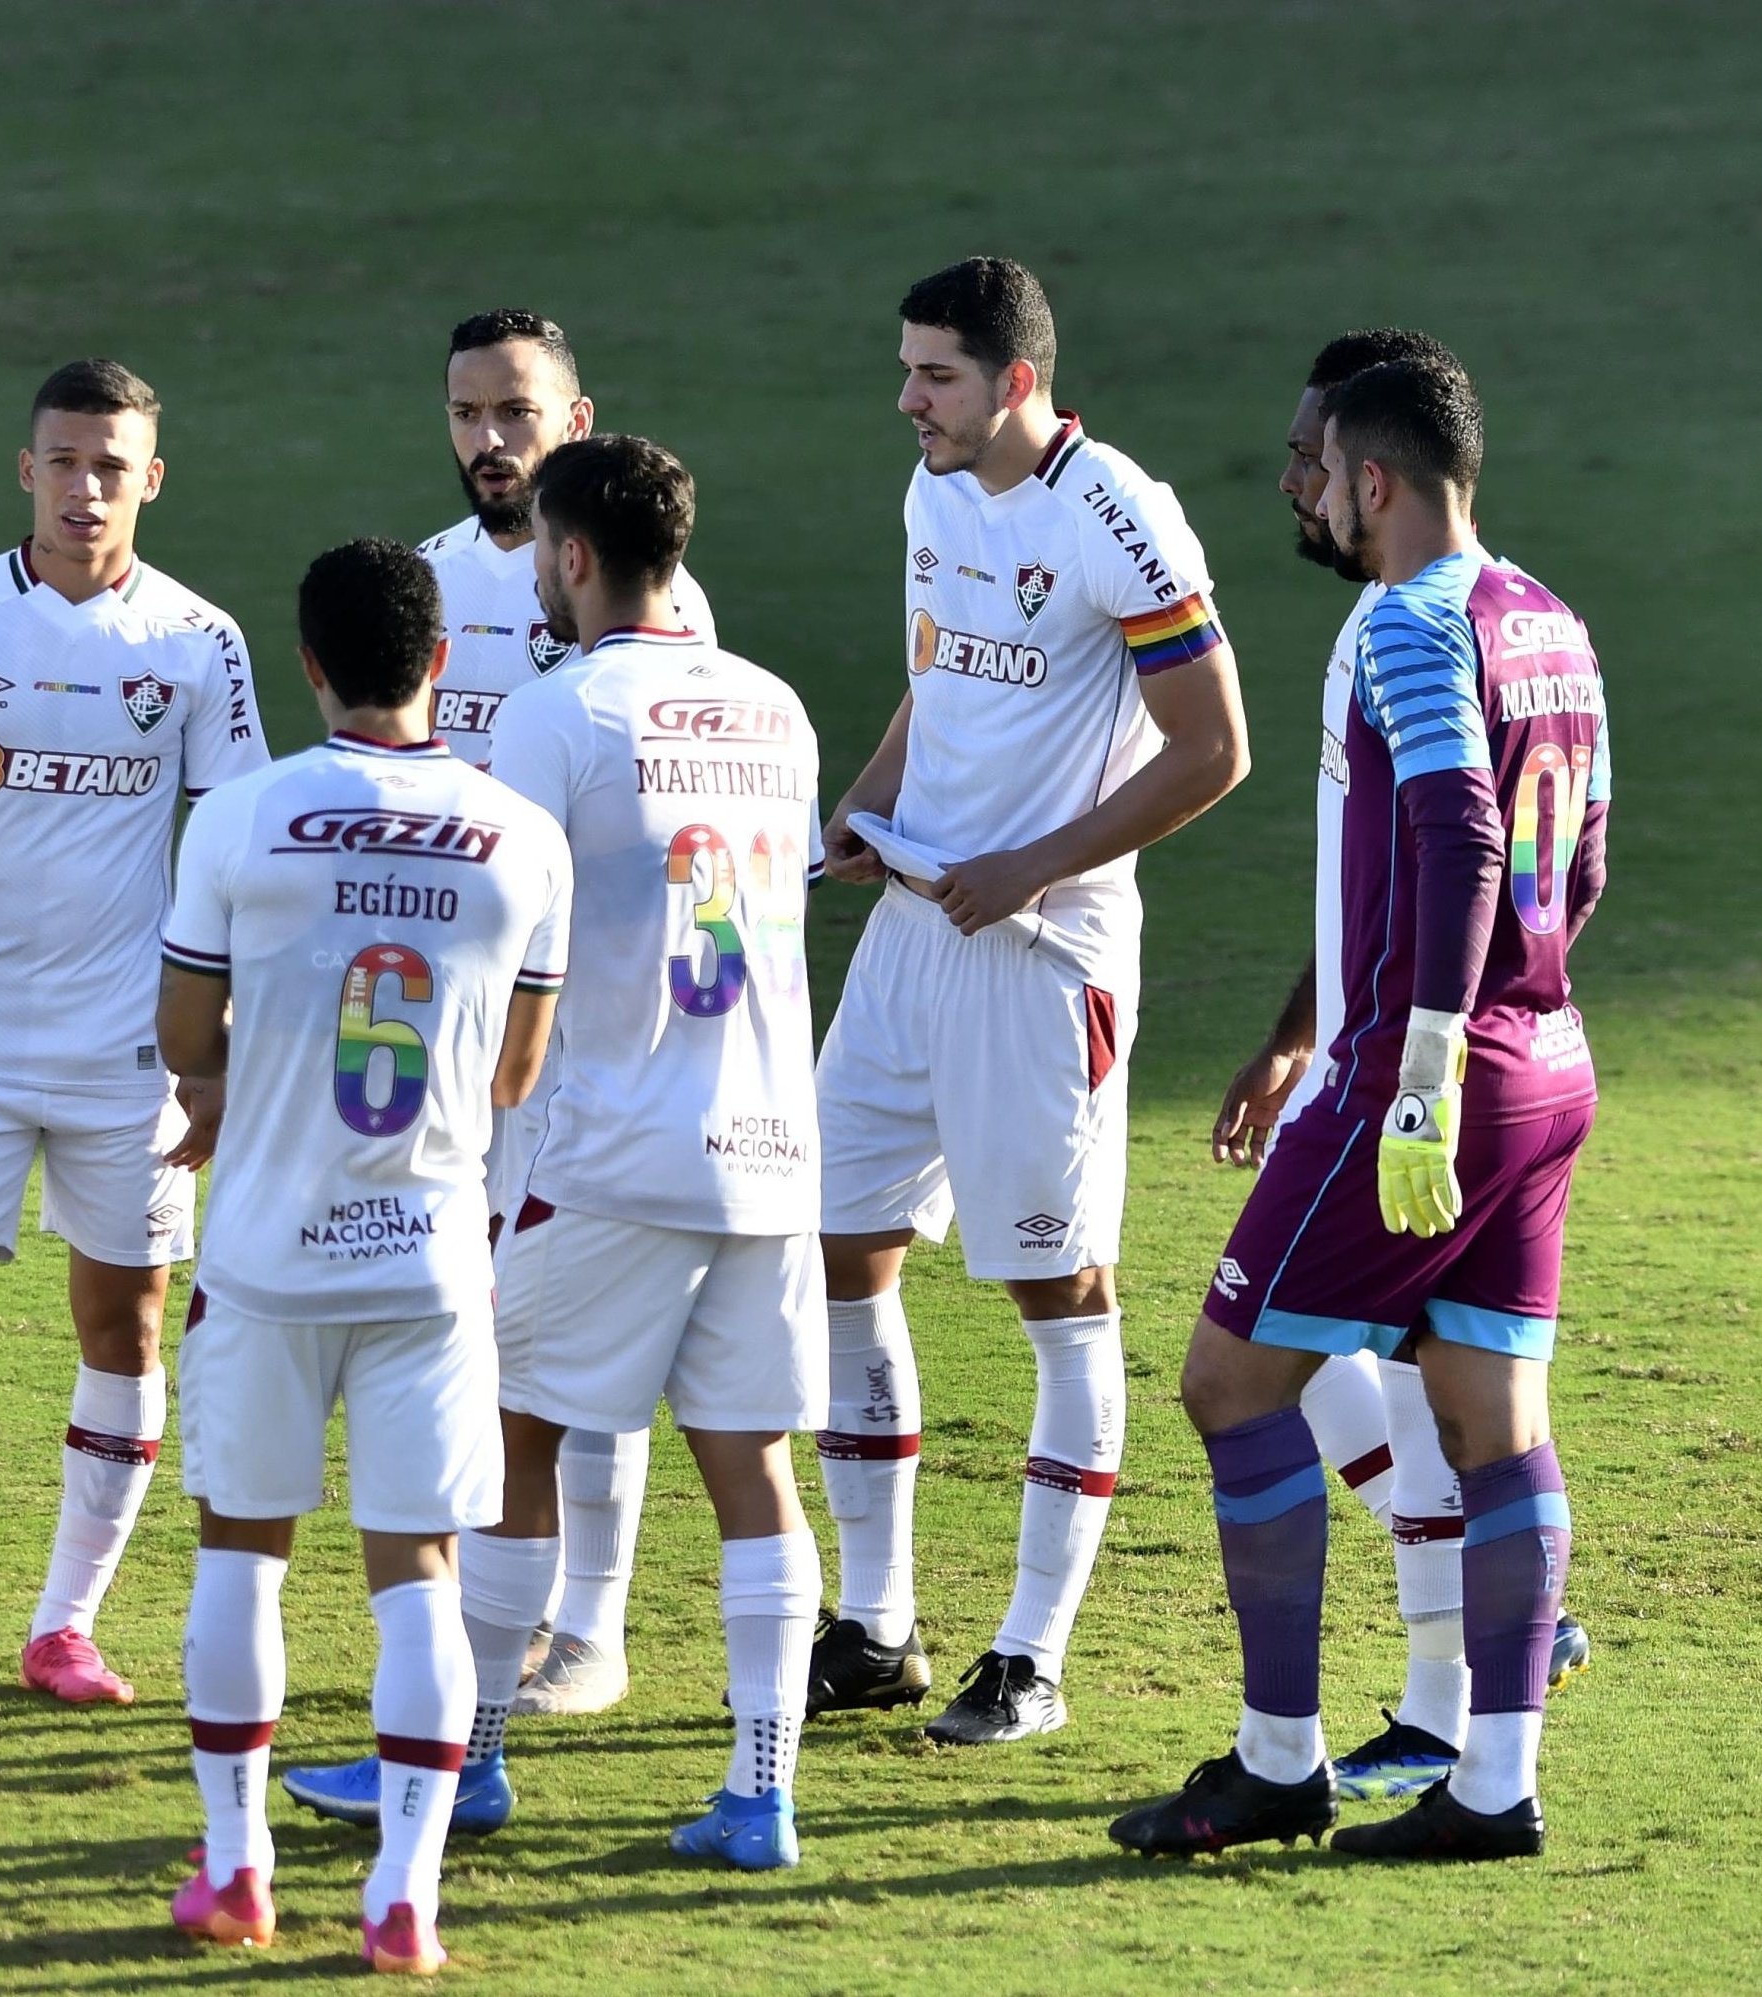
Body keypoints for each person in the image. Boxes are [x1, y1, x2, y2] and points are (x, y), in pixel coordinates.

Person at [289, 435, 830, 1870]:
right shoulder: (774, 709)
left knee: (512, 1438)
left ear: (574, 555)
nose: (532, 569)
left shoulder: (558, 712)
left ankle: (466, 1761)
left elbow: (488, 933)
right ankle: (760, 1793)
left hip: (603, 1150)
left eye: (539, 548)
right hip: (772, 1144)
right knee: (750, 1470)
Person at [1110, 359, 1607, 1861]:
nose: (1306, 494)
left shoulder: (1405, 618)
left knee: (1227, 1383)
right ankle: (1490, 1787)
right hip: (1547, 1062)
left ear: (1372, 481)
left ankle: (1276, 1762)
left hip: (1420, 1076)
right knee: (1486, 1418)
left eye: (1317, 470)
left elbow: (1455, 825)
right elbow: (1573, 860)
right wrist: (1503, 1010)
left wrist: (1421, 1061)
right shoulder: (1546, 617)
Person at [811, 258, 1250, 1739]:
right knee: (837, 1247)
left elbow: (1211, 747)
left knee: (1055, 1296)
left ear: (1011, 380)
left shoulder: (1111, 514)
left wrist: (1029, 867)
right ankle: (871, 1626)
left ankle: (1030, 1654)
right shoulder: (933, 494)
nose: (904, 399)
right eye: (902, 367)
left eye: (930, 373)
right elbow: (933, 676)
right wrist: (865, 807)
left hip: (1038, 951)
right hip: (911, 933)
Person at [156, 536, 570, 1973]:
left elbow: (179, 1040)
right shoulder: (523, 837)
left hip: (264, 1258)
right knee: (419, 1574)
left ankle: (235, 1869)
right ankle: (405, 1891)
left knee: (242, 1557)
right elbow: (517, 1074)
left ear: (310, 664)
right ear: (440, 661)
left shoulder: (245, 817)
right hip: (430, 1265)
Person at [0, 358, 268, 1715]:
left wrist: (210, 1055)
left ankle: (63, 1626)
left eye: (110, 465)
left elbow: (228, 855)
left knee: (126, 1329)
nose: (84, 489)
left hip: (124, 1059)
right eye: (61, 462)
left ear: (151, 478)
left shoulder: (196, 643)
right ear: (22, 471)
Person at [421, 308, 719, 1717]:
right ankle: (489, 1620)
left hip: (593, 1038)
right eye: (467, 413)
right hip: (448, 1026)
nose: (489, 440)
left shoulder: (665, 609)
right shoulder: (420, 583)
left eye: (514, 414)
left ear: (574, 422)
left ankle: (585, 1632)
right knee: (480, 1331)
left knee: (579, 1342)